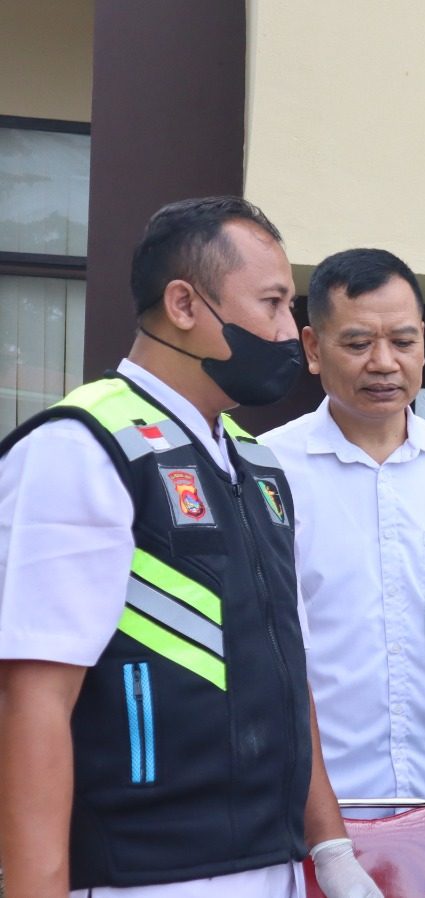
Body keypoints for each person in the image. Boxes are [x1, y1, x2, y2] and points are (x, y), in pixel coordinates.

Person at [0, 197, 379, 897]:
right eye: (271, 303)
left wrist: (331, 850)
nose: (288, 332)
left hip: (273, 863)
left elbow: (287, 665)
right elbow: (33, 699)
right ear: (183, 304)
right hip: (144, 873)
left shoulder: (256, 463)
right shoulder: (81, 448)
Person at [261, 249, 425, 839]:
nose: (384, 363)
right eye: (357, 343)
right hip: (313, 804)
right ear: (313, 348)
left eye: (402, 341)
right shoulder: (265, 470)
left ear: (422, 342)